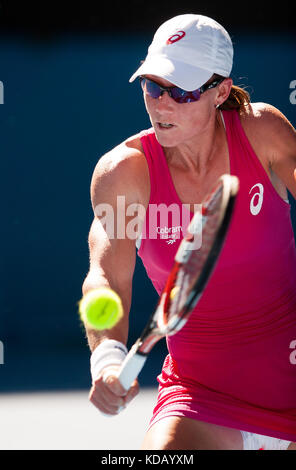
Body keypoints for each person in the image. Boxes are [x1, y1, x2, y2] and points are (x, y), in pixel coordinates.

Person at [81, 14, 296, 450]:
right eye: (153, 86)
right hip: (200, 399)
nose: (162, 104)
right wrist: (106, 359)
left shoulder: (263, 132)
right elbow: (106, 278)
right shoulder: (124, 173)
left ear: (220, 91)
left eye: (181, 91)